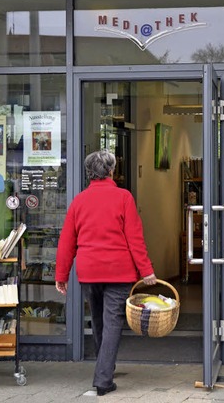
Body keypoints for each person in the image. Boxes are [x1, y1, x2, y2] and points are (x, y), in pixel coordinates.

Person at [55, 150, 157, 397]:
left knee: (100, 321)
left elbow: (67, 241)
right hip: (118, 271)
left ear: (90, 173)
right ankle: (103, 378)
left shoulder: (79, 201)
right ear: (111, 171)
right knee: (112, 323)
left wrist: (62, 275)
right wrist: (147, 271)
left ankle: (105, 369)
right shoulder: (123, 197)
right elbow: (135, 238)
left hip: (89, 271)